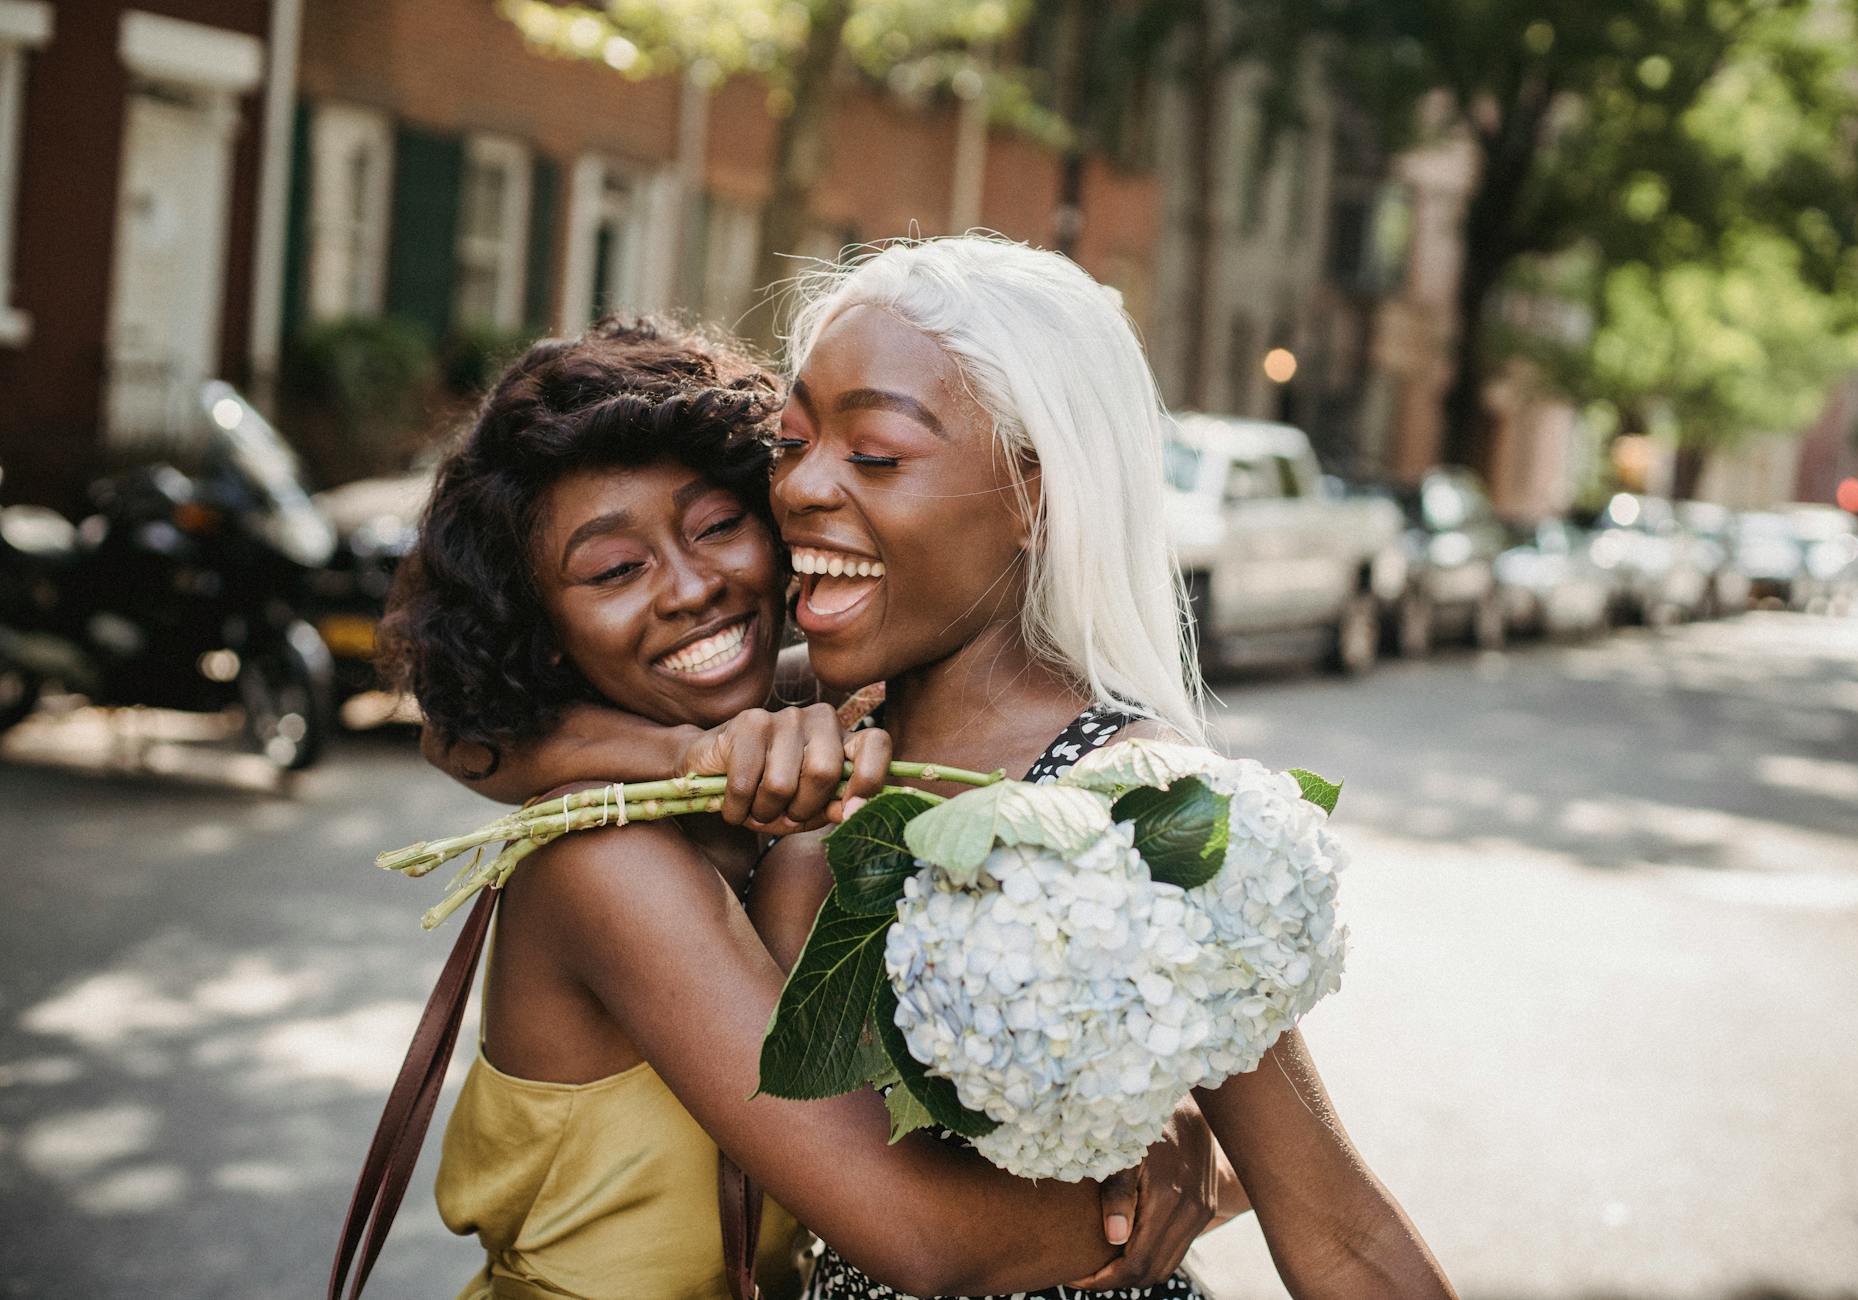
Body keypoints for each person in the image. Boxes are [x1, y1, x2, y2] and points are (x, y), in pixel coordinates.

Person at [463, 237, 1456, 1300]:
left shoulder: (1132, 811)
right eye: (791, 444)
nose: (799, 488)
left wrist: (1195, 1163)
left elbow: (1332, 1221)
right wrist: (682, 749)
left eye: (875, 454)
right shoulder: (817, 724)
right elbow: (467, 717)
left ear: (1035, 491)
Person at [383, 314, 1223, 1300]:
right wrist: (1138, 1180)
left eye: (718, 525)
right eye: (614, 570)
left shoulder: (806, 718)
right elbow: (925, 1239)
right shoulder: (605, 859)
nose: (693, 586)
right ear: (544, 632)